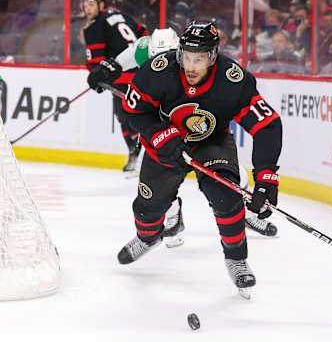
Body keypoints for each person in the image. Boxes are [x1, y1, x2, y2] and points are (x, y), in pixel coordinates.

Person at [116, 21, 282, 296]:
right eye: (187, 57)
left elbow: (267, 125)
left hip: (211, 141)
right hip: (165, 143)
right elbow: (133, 108)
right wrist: (159, 134)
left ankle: (236, 259)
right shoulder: (159, 70)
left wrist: (266, 176)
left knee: (227, 197)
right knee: (147, 210)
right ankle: (148, 237)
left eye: (199, 59)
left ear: (213, 57)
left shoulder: (232, 80)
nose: (191, 66)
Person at [88, 27, 279, 244]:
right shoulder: (147, 52)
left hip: (195, 124)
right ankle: (172, 220)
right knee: (153, 177)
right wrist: (106, 69)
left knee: (225, 175)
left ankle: (247, 210)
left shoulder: (189, 59)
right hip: (163, 124)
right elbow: (132, 53)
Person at [82, 0, 148, 172]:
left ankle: (136, 155)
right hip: (144, 74)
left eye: (91, 4)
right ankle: (142, 153)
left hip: (122, 78)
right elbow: (145, 36)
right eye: (85, 5)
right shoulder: (122, 15)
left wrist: (95, 78)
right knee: (140, 114)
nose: (87, 9)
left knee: (124, 116)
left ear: (101, 4)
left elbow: (97, 66)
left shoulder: (93, 27)